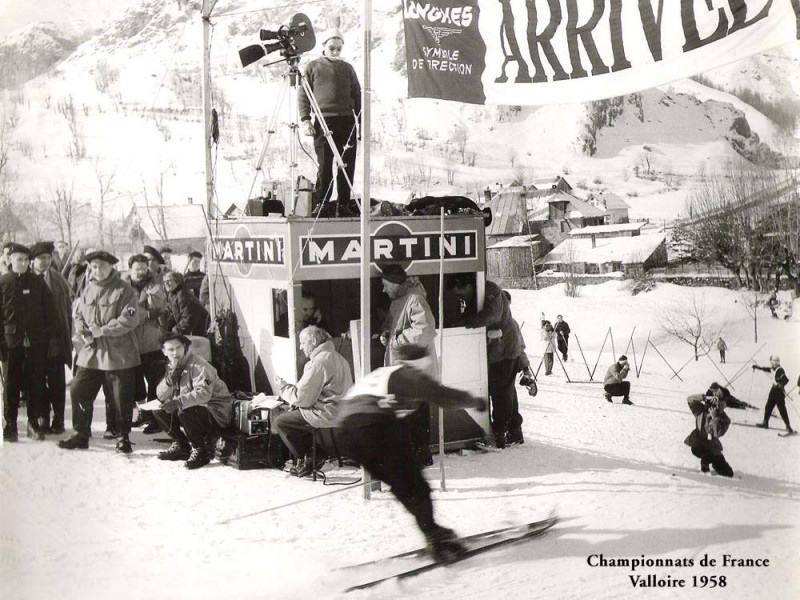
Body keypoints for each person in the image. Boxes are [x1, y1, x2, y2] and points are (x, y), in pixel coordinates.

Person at [333, 344, 487, 562]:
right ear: (421, 362)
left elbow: (395, 424)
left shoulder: (381, 375)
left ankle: (432, 531)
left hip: (346, 434)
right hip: (371, 425)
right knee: (415, 486)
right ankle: (435, 537)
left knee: (404, 483)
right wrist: (474, 400)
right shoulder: (407, 375)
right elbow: (441, 395)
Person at [58, 251, 140, 453]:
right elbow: (78, 314)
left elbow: (129, 319)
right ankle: (81, 434)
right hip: (92, 352)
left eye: (102, 266)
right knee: (78, 390)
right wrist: (82, 330)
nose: (97, 270)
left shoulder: (124, 290)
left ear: (111, 267)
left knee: (120, 398)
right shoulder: (88, 289)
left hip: (118, 353)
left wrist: (101, 331)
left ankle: (123, 437)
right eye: (93, 267)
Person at [447, 275, 522, 449]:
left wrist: (464, 324)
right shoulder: (477, 295)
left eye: (460, 293)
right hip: (497, 350)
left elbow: (492, 316)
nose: (461, 298)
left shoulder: (490, 291)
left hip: (505, 349)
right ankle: (513, 430)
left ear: (467, 286)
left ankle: (502, 432)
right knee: (505, 390)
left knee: (502, 391)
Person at [273, 326, 353, 477]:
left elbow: (302, 399)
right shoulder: (338, 357)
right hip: (340, 411)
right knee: (296, 415)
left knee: (281, 422)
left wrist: (284, 388)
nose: (301, 347)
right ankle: (313, 454)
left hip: (326, 413)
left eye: (303, 343)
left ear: (314, 341)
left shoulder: (319, 362)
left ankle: (313, 457)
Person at [298, 28, 361, 216]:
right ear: (324, 46)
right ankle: (323, 203)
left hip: (347, 122)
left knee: (346, 164)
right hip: (324, 121)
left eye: (339, 49)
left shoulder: (348, 68)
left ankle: (343, 204)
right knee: (325, 165)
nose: (335, 52)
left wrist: (360, 126)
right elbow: (303, 94)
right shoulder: (313, 67)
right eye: (332, 48)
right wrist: (305, 119)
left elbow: (357, 96)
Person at [381, 264, 438, 466]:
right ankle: (416, 454)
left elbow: (424, 329)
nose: (383, 289)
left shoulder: (414, 299)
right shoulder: (399, 301)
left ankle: (419, 455)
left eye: (385, 284)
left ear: (396, 284)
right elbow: (399, 327)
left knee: (414, 415)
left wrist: (396, 341)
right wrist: (386, 334)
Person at [152, 332, 235, 469]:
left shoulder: (198, 365)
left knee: (185, 411)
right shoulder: (173, 365)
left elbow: (203, 394)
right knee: (158, 410)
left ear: (185, 347)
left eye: (178, 348)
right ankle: (181, 445)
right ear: (164, 352)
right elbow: (160, 396)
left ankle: (201, 450)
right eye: (170, 350)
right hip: (194, 408)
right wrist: (168, 382)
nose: (175, 353)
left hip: (217, 411)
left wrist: (177, 402)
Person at [1, 243, 57, 442]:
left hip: (36, 343)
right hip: (11, 344)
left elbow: (50, 312)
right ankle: (10, 425)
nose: (23, 263)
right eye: (19, 259)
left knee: (36, 384)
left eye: (26, 259)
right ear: (10, 260)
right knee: (11, 386)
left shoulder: (37, 282)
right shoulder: (3, 282)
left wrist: (49, 338)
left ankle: (33, 424)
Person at [30, 242, 73, 434]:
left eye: (48, 258)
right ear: (33, 260)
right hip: (35, 341)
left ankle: (59, 418)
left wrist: (66, 337)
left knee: (57, 381)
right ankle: (43, 417)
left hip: (55, 339)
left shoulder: (58, 279)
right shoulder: (27, 279)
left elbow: (68, 309)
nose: (46, 261)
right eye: (41, 258)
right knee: (38, 380)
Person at [124, 254, 167, 435]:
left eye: (144, 268)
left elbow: (162, 306)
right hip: (132, 343)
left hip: (152, 342)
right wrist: (148, 314)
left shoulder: (154, 284)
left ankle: (156, 419)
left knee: (155, 383)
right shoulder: (123, 288)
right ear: (130, 270)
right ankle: (143, 413)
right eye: (137, 269)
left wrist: (154, 293)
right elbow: (127, 314)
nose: (141, 272)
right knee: (136, 385)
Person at [685, 384, 733, 477]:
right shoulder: (701, 410)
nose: (722, 407)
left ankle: (708, 461)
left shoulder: (725, 419)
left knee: (728, 473)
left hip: (712, 447)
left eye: (724, 404)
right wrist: (704, 397)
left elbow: (717, 434)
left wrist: (715, 419)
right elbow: (689, 399)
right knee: (701, 449)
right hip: (698, 443)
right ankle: (705, 463)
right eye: (720, 403)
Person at [753, 355, 794, 435]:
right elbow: (765, 368)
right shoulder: (773, 369)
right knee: (768, 406)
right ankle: (765, 422)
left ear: (775, 362)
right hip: (773, 390)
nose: (771, 363)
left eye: (771, 362)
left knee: (781, 409)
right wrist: (757, 367)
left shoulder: (780, 370)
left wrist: (781, 384)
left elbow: (785, 379)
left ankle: (788, 426)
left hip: (779, 392)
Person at [161, 271, 210, 336]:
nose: (166, 283)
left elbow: (188, 319)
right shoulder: (172, 295)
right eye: (164, 281)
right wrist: (167, 328)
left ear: (177, 281)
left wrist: (176, 330)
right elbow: (173, 314)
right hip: (189, 328)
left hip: (199, 330)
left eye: (169, 280)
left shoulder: (183, 295)